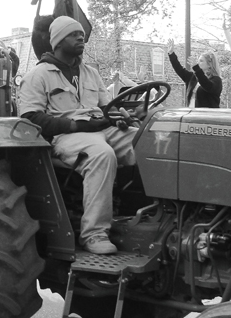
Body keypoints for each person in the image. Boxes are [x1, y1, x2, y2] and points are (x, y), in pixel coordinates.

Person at [18, 16, 142, 255]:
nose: (80, 37)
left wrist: (122, 116)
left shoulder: (90, 73)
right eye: (73, 34)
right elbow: (31, 119)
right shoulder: (39, 75)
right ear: (57, 41)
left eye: (81, 34)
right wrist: (75, 126)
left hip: (101, 129)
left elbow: (108, 108)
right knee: (101, 155)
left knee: (149, 143)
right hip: (66, 135)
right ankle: (94, 234)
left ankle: (147, 218)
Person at [166, 39, 222, 108]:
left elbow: (206, 85)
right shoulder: (192, 77)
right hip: (191, 115)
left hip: (207, 116)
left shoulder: (216, 80)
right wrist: (171, 54)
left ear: (209, 65)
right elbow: (179, 69)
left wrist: (196, 68)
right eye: (198, 61)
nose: (198, 63)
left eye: (201, 61)